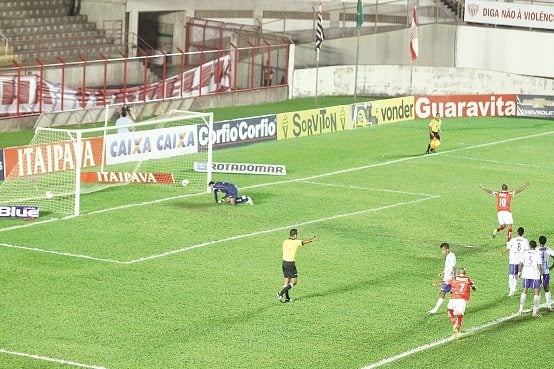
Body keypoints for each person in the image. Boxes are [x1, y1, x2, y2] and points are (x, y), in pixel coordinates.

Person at [276, 229, 317, 303]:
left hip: (284, 263)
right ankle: (280, 293)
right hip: (290, 264)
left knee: (286, 281)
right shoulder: (295, 242)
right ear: (295, 235)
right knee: (294, 282)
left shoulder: (285, 241)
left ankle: (287, 298)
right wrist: (312, 240)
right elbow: (303, 242)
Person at [445, 267, 476, 336]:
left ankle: (453, 321)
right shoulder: (468, 279)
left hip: (454, 298)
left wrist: (449, 289)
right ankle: (457, 329)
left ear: (459, 273)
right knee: (459, 315)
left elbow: (446, 284)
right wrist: (472, 287)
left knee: (449, 310)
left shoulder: (454, 278)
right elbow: (474, 287)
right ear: (465, 273)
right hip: (462, 299)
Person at [428, 242, 456, 315]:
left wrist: (454, 277)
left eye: (443, 250)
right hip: (447, 278)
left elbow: (453, 267)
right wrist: (443, 272)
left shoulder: (451, 256)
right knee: (453, 293)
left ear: (447, 249)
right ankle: (457, 308)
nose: (442, 251)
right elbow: (448, 267)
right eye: (442, 250)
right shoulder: (448, 256)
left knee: (442, 293)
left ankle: (434, 310)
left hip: (449, 279)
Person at [500, 227, 529, 297]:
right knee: (517, 275)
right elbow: (527, 251)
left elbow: (508, 248)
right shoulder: (525, 241)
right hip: (521, 261)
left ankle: (511, 290)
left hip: (513, 260)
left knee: (511, 275)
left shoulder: (513, 240)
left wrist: (502, 253)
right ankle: (513, 288)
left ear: (517, 232)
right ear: (523, 233)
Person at [518, 240, 542, 317]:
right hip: (535, 274)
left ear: (529, 246)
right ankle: (534, 312)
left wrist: (519, 272)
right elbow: (539, 266)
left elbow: (521, 263)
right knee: (536, 292)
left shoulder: (525, 253)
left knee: (524, 291)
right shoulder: (538, 253)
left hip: (526, 274)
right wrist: (541, 275)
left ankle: (520, 309)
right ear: (535, 246)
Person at [538, 235, 554, 311]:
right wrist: (552, 267)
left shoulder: (536, 250)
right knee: (547, 289)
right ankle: (549, 306)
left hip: (538, 272)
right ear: (545, 242)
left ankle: (536, 307)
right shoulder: (549, 250)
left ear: (539, 241)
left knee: (537, 289)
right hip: (546, 272)